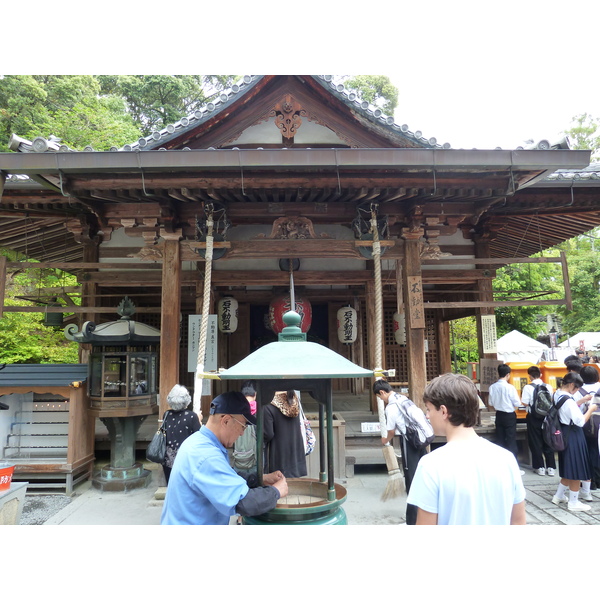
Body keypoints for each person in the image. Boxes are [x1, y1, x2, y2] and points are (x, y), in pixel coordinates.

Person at [407, 373, 527, 525]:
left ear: (444, 411)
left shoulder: (431, 464)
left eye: (429, 409)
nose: (427, 416)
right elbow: (518, 522)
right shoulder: (506, 458)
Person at [161, 391, 288, 525]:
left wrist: (261, 479)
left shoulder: (198, 441)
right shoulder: (206, 455)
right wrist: (276, 491)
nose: (242, 433)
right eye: (243, 425)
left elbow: (226, 475)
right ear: (226, 420)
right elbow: (243, 503)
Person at [373, 379, 433, 525]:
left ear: (382, 392)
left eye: (380, 397)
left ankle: (412, 520)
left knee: (411, 479)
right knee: (423, 473)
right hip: (420, 439)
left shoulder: (391, 407)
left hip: (409, 441)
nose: (381, 400)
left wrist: (384, 440)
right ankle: (426, 512)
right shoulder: (404, 399)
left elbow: (391, 431)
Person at [551, 372, 598, 512]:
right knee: (577, 468)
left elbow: (565, 409)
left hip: (564, 432)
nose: (577, 390)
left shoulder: (558, 394)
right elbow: (580, 421)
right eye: (577, 388)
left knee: (569, 466)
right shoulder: (569, 401)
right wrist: (591, 409)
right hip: (573, 434)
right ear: (572, 385)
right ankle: (573, 501)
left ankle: (558, 496)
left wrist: (581, 401)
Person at [161, 384, 201, 484]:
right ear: (187, 400)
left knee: (171, 486)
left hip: (168, 460)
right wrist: (199, 421)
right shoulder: (192, 416)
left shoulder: (166, 414)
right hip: (185, 460)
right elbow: (199, 437)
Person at [520, 366, 556, 477]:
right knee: (547, 440)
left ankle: (539, 467)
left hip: (533, 417)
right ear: (540, 374)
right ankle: (551, 468)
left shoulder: (527, 387)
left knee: (535, 441)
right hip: (547, 417)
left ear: (529, 376)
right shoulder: (548, 386)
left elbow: (525, 403)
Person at [263, 389, 307, 478]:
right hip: (296, 455)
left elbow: (268, 434)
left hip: (279, 456)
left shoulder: (268, 405)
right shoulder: (294, 400)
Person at [488, 364, 522, 461]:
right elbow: (517, 403)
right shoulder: (510, 387)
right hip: (509, 415)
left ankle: (501, 462)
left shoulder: (492, 387)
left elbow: (490, 402)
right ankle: (514, 463)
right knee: (511, 440)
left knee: (500, 439)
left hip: (499, 415)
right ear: (508, 374)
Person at [574, 366, 600, 491]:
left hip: (586, 425)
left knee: (589, 451)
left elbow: (576, 410)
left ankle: (591, 480)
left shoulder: (579, 391)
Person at [231, 381, 258, 479]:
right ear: (255, 394)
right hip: (255, 458)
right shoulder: (261, 410)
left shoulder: (234, 410)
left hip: (238, 457)